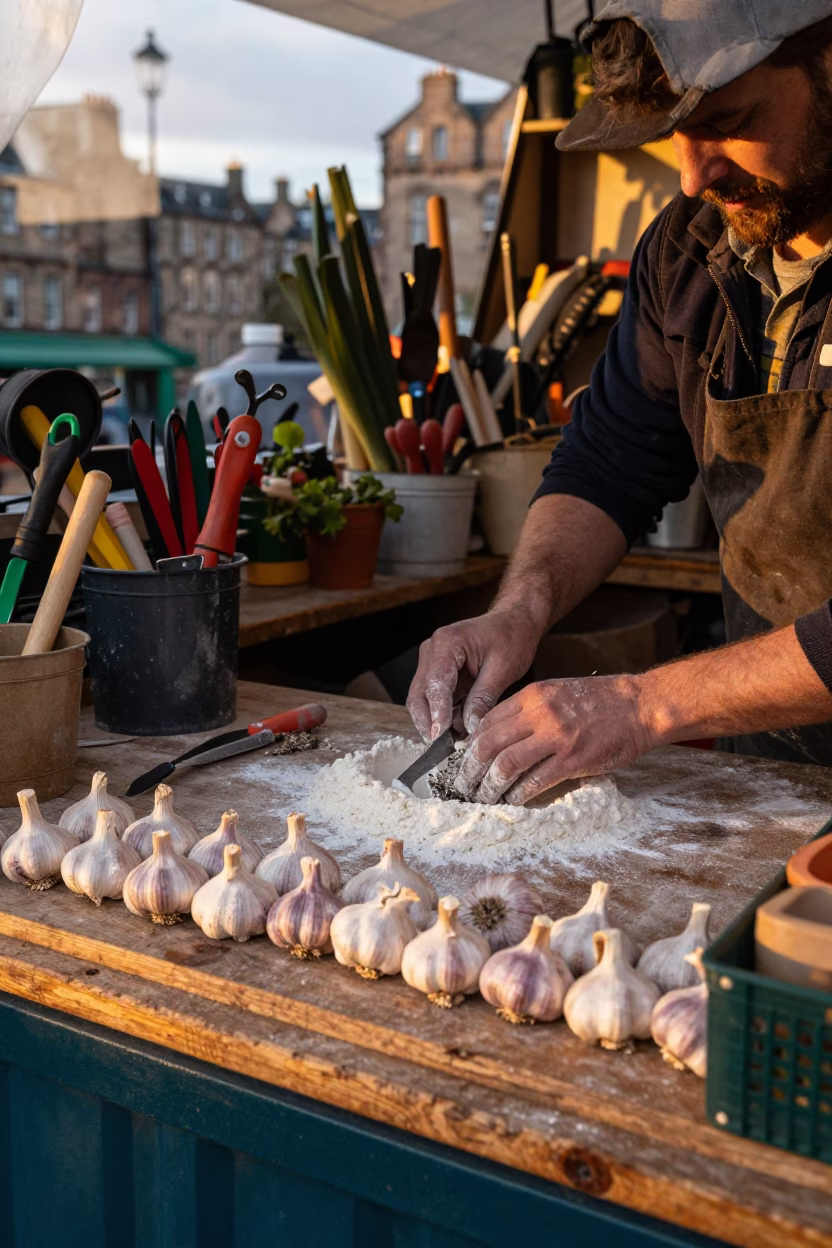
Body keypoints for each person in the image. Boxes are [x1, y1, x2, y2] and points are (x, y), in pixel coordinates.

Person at [408, 0, 832, 806]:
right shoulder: (689, 250)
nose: (694, 176)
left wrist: (643, 703)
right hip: (774, 779)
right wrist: (519, 611)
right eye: (674, 135)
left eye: (729, 123)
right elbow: (610, 461)